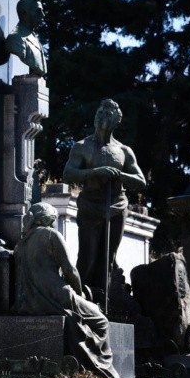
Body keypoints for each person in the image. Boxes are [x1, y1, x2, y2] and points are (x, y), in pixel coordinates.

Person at [11, 202, 120, 378]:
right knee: (101, 321)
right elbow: (70, 270)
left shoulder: (21, 244)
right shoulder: (51, 235)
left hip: (29, 302)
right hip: (58, 296)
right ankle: (102, 368)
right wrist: (79, 293)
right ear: (47, 219)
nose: (54, 223)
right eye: (53, 219)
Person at [62, 98, 146, 308]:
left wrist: (121, 176)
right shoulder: (82, 147)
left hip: (116, 206)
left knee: (108, 258)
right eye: (99, 112)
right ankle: (77, 299)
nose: (101, 117)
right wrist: (95, 172)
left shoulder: (124, 151)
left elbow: (141, 181)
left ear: (116, 121)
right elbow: (68, 174)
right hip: (91, 205)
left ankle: (103, 302)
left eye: (107, 114)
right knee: (88, 256)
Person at [5, 0, 47, 77]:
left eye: (42, 11)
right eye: (38, 11)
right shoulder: (15, 39)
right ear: (24, 13)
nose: (43, 15)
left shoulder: (35, 39)